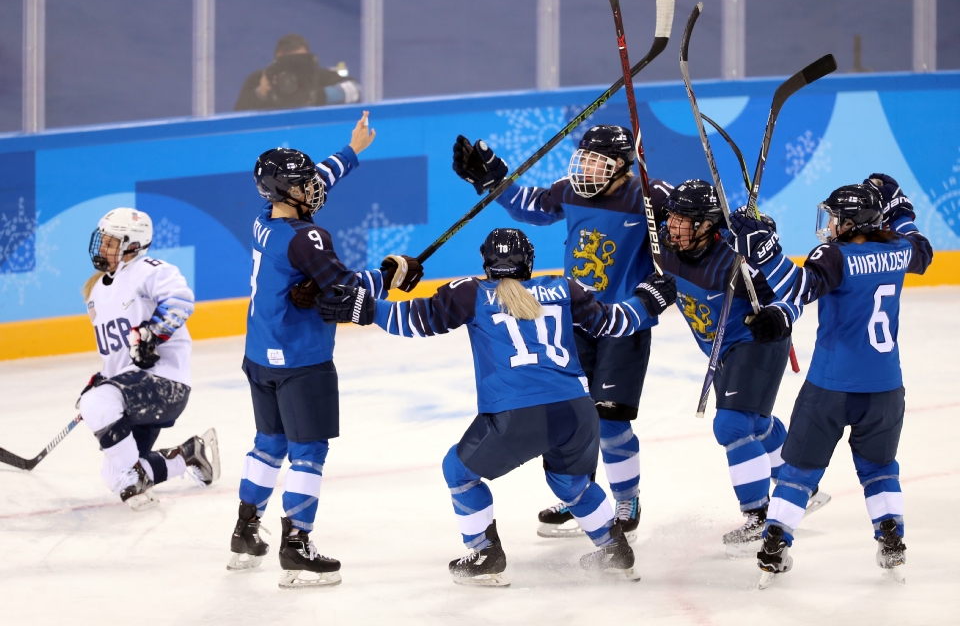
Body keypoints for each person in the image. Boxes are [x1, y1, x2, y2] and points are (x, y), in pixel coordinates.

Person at [317, 227, 677, 586]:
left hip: (518, 413)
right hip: (578, 411)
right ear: (529, 262)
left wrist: (366, 309)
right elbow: (613, 322)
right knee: (572, 483)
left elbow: (417, 321)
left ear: (486, 264)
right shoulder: (565, 287)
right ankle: (614, 550)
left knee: (458, 471)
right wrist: (646, 301)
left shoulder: (471, 292)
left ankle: (484, 554)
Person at [227, 111, 423, 589]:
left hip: (260, 356)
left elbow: (317, 185)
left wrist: (352, 151)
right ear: (285, 192)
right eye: (303, 184)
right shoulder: (309, 237)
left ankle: (245, 532)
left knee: (268, 444)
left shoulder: (263, 222)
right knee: (308, 452)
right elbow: (345, 292)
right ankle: (296, 546)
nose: (313, 187)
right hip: (302, 362)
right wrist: (391, 273)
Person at [451, 126, 670, 541]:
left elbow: (693, 225)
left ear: (622, 167)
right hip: (579, 317)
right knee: (577, 414)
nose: (585, 168)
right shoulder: (572, 190)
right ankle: (581, 494)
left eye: (596, 162)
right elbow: (527, 205)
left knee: (610, 419)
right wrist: (490, 175)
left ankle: (627, 499)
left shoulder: (649, 195)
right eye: (583, 159)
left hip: (624, 322)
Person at [724, 174, 932, 588]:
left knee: (798, 472)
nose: (830, 224)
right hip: (886, 389)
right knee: (880, 468)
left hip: (830, 388)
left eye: (836, 217)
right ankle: (891, 536)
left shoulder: (835, 256)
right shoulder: (898, 249)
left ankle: (775, 542)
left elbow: (799, 287)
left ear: (853, 223)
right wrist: (903, 210)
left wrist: (766, 252)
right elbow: (922, 250)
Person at [656, 180, 831, 556]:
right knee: (755, 424)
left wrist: (779, 312)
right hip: (723, 351)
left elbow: (793, 295)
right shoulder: (665, 248)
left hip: (756, 343)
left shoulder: (735, 257)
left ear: (706, 225)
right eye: (671, 215)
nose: (672, 225)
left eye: (683, 219)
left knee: (733, 424)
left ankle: (759, 513)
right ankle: (798, 482)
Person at [78, 207, 219, 512]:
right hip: (134, 389)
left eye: (111, 242)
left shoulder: (149, 270)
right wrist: (101, 382)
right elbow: (118, 353)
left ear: (133, 245)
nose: (103, 248)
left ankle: (137, 474)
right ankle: (189, 455)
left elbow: (181, 301)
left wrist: (152, 334)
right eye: (102, 240)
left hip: (164, 383)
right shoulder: (96, 295)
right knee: (114, 476)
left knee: (100, 413)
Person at [234, 33, 361, 112]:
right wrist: (260, 93)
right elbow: (238, 117)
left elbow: (355, 90)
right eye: (287, 63)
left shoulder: (319, 76)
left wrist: (318, 96)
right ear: (276, 61)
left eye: (300, 63)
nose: (294, 69)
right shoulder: (260, 79)